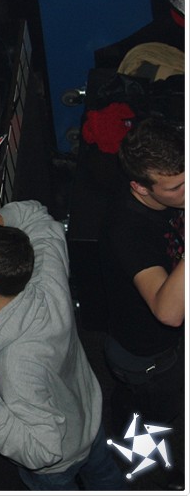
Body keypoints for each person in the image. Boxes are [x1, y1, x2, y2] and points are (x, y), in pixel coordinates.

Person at [0, 200, 126, 490]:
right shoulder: (47, 275)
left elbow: (45, 451)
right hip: (87, 415)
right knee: (107, 477)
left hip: (61, 462)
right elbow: (38, 216)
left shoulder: (14, 363)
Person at [98, 117, 184, 488]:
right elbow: (169, 313)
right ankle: (147, 472)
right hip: (147, 354)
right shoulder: (127, 229)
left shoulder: (168, 188)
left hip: (162, 347)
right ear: (140, 188)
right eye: (177, 187)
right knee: (154, 417)